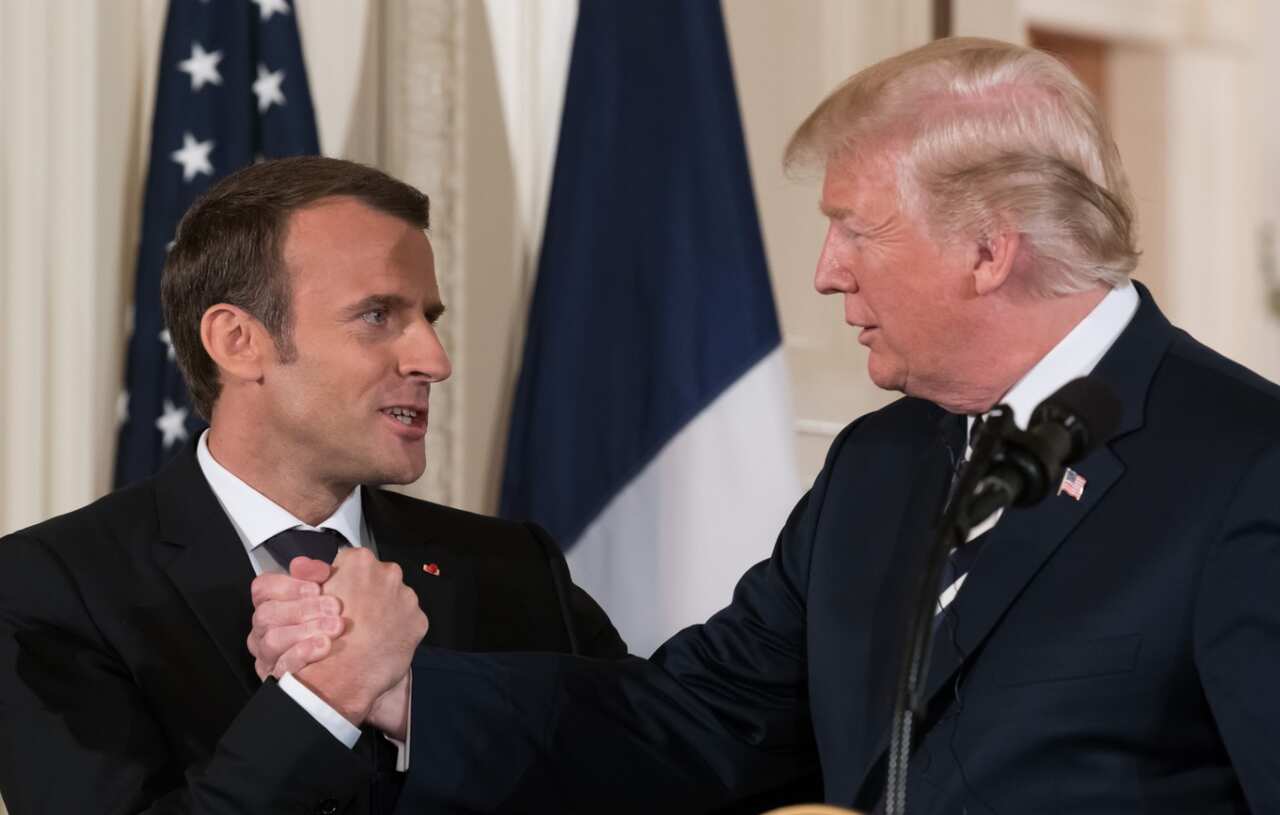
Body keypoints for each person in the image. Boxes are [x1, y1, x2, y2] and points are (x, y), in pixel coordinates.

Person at [248, 39, 1280, 813]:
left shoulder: (1245, 465)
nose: (828, 269)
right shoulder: (884, 459)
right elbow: (699, 719)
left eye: (855, 228)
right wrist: (396, 687)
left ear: (983, 249)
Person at [0, 156, 626, 815]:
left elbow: (657, 766)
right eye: (377, 315)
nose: (433, 360)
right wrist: (328, 697)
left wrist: (424, 706)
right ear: (239, 340)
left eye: (428, 318)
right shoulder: (51, 585)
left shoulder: (514, 567)